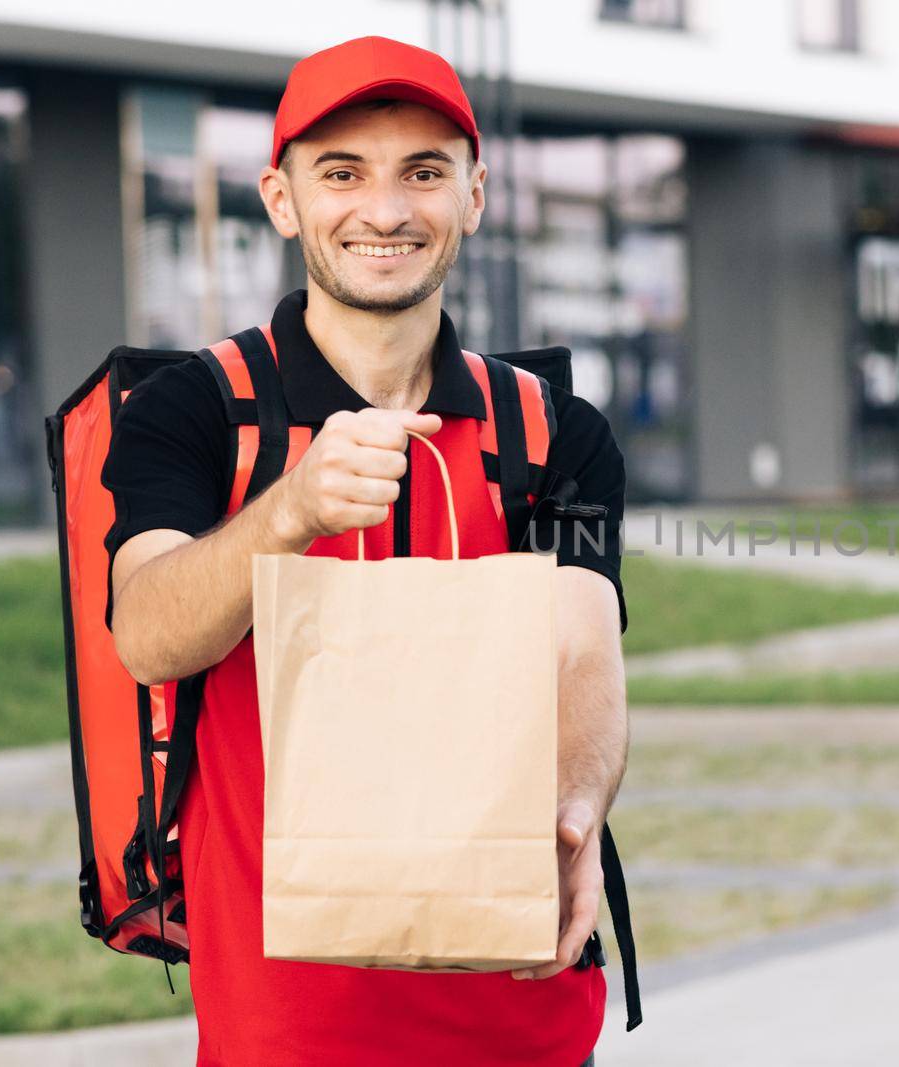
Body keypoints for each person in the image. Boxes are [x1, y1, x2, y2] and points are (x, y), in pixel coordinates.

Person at [102, 36, 627, 1067]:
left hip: (520, 1004)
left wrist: (578, 803)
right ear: (281, 198)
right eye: (342, 173)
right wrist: (287, 510)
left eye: (423, 173)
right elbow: (147, 635)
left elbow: (583, 653)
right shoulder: (196, 411)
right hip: (289, 1019)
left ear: (474, 196)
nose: (385, 210)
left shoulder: (554, 432)